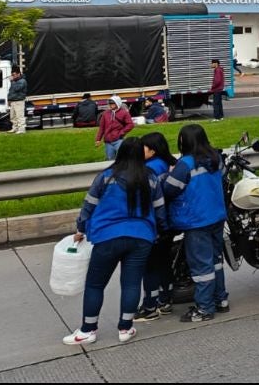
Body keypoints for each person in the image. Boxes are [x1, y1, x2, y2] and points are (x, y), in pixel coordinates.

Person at [62, 137, 167, 346]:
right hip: (141, 236)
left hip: (107, 236)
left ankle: (87, 330)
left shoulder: (106, 177)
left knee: (95, 285)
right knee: (131, 284)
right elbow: (160, 209)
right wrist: (160, 230)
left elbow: (88, 206)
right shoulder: (151, 178)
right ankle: (125, 328)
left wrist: (81, 229)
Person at [163, 124, 228, 322]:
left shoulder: (185, 164)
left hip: (196, 220)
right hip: (216, 216)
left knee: (201, 268)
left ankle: (204, 308)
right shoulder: (216, 159)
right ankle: (220, 299)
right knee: (216, 261)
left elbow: (169, 190)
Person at [134, 133, 178, 321]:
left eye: (143, 147)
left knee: (149, 266)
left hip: (154, 222)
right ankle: (165, 300)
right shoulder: (167, 163)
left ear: (152, 150)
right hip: (167, 220)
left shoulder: (149, 169)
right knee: (163, 263)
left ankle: (149, 305)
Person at [95, 96, 135, 161]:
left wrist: (121, 132)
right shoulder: (105, 114)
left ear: (117, 103)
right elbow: (102, 128)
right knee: (110, 159)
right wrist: (98, 139)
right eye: (109, 104)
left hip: (119, 140)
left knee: (122, 158)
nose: (110, 105)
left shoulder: (124, 113)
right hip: (108, 141)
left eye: (112, 103)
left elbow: (130, 124)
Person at [8, 65, 27, 134]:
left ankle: (21, 129)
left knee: (19, 116)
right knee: (13, 117)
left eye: (14, 74)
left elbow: (17, 89)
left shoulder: (22, 81)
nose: (13, 76)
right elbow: (11, 91)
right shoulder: (15, 81)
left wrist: (12, 81)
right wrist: (9, 99)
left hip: (19, 101)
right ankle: (15, 128)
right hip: (13, 101)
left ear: (19, 74)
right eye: (12, 75)